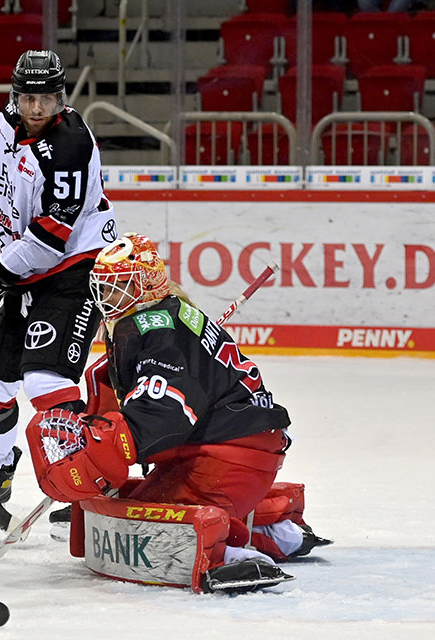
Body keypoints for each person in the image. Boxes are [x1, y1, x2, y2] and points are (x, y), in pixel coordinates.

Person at [26, 232, 331, 592]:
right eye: (104, 288)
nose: (107, 298)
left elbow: (165, 411)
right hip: (232, 448)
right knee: (131, 504)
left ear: (148, 283)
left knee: (144, 530)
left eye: (119, 287)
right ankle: (276, 526)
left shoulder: (160, 328)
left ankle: (231, 553)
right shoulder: (164, 317)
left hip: (227, 456)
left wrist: (102, 444)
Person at [0, 49, 116, 521]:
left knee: (46, 380)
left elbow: (51, 239)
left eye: (46, 99)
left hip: (71, 273)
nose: (36, 109)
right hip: (24, 271)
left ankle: (84, 484)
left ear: (61, 98)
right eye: (27, 98)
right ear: (16, 95)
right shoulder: (16, 115)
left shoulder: (70, 147)